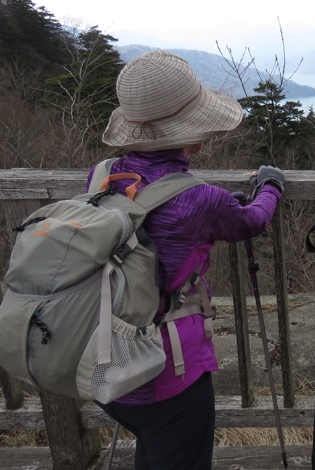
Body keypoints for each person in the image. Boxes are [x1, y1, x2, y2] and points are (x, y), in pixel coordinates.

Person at [92, 50, 285, 470]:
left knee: (156, 452)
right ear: (191, 132)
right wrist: (271, 186)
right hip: (166, 376)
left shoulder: (104, 174)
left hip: (107, 363)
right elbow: (251, 221)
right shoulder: (197, 199)